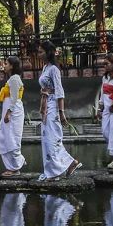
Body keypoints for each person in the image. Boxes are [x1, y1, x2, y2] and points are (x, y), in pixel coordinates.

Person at [37, 39, 80, 180]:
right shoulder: (45, 68)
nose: (38, 54)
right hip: (46, 106)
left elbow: (59, 91)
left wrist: (61, 113)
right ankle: (66, 165)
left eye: (41, 51)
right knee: (47, 139)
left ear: (48, 52)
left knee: (52, 139)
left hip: (53, 107)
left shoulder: (54, 69)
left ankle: (57, 170)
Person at [0, 57, 26, 177]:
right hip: (10, 109)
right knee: (5, 136)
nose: (4, 65)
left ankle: (15, 167)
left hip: (13, 111)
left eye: (6, 63)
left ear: (12, 66)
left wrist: (9, 112)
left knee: (11, 138)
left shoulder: (14, 79)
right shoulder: (12, 79)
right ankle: (16, 163)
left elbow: (14, 98)